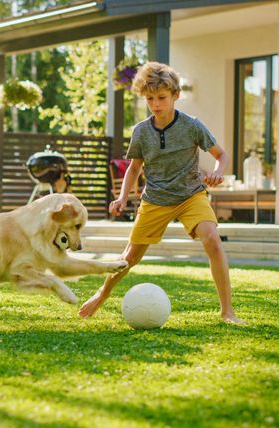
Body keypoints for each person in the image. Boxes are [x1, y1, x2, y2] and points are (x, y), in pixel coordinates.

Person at [79, 62, 246, 325]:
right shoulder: (141, 131)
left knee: (212, 238)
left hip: (191, 195)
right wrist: (123, 197)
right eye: (150, 99)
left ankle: (228, 312)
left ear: (176, 95)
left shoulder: (192, 126)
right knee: (129, 258)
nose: (156, 104)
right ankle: (101, 295)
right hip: (155, 199)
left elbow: (221, 155)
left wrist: (217, 171)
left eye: (161, 98)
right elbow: (134, 169)